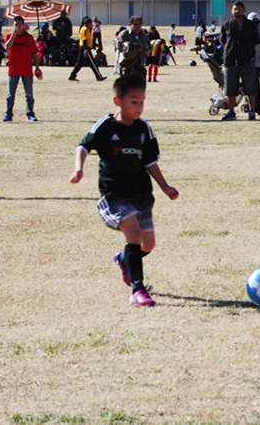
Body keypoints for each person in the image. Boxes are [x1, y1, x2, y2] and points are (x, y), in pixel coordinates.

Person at [70, 73, 179, 307]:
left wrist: (165, 186)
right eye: (133, 101)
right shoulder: (106, 126)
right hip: (114, 193)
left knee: (147, 244)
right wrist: (78, 169)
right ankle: (137, 290)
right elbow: (83, 146)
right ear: (117, 101)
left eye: (142, 101)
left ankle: (124, 259)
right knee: (134, 233)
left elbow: (150, 162)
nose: (139, 107)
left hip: (140, 193)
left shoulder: (143, 129)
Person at [220, 1, 260, 121]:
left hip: (247, 60)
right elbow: (223, 41)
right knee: (230, 88)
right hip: (230, 60)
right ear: (231, 11)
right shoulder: (226, 24)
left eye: (239, 9)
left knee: (250, 87)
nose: (236, 11)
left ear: (244, 10)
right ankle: (231, 111)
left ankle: (252, 111)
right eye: (234, 9)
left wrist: (246, 51)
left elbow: (256, 42)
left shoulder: (250, 25)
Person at [3, 15, 42, 122]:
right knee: (10, 94)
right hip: (13, 69)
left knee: (29, 94)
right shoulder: (9, 36)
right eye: (16, 24)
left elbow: (34, 53)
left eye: (20, 24)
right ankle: (8, 114)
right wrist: (14, 35)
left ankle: (30, 114)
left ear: (23, 25)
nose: (18, 26)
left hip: (26, 69)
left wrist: (37, 67)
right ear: (13, 25)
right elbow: (7, 47)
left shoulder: (29, 38)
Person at [69, 16, 106, 81]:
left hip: (86, 48)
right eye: (91, 24)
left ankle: (72, 75)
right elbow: (84, 40)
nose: (92, 25)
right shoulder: (85, 29)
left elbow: (90, 40)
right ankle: (98, 76)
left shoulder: (88, 30)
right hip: (84, 48)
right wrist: (85, 50)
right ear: (88, 24)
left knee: (80, 63)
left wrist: (97, 45)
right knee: (92, 63)